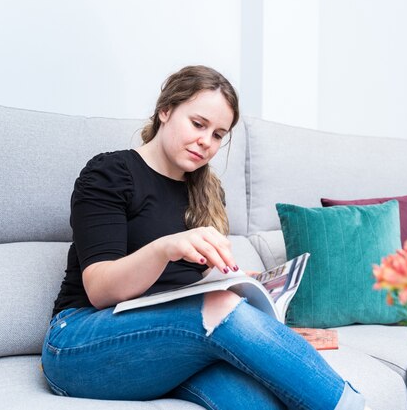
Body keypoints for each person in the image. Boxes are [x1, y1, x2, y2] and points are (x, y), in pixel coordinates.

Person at [41, 65, 369, 410]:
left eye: (218, 135)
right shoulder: (110, 173)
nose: (206, 142)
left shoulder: (207, 192)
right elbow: (100, 290)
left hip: (174, 345)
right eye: (198, 124)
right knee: (220, 308)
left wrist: (249, 296)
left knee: (258, 402)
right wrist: (165, 248)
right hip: (80, 342)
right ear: (165, 110)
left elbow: (194, 287)